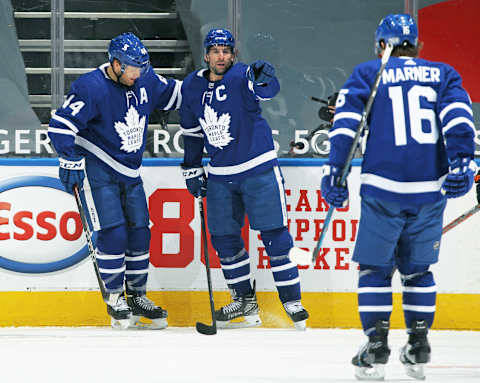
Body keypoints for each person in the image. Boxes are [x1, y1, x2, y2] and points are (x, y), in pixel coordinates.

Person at [321, 14, 476, 380]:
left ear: (381, 46)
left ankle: (376, 345)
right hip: (429, 190)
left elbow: (346, 126)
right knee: (419, 270)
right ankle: (418, 342)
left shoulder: (367, 73)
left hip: (383, 189)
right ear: (417, 45)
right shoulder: (444, 74)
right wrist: (463, 164)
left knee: (375, 269)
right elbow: (459, 120)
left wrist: (334, 172)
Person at [48, 32, 182, 329]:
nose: (138, 73)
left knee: (140, 233)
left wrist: (221, 83)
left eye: (141, 66)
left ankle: (136, 295)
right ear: (116, 63)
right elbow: (60, 126)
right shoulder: (90, 87)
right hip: (99, 170)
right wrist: (68, 157)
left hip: (130, 172)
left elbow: (181, 93)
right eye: (132, 67)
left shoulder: (145, 79)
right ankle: (114, 295)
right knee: (114, 232)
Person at [179, 28, 309, 330]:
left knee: (275, 236)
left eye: (227, 51)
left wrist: (264, 77)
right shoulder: (191, 87)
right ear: (207, 55)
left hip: (258, 169)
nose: (221, 56)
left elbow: (266, 89)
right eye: (216, 50)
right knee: (224, 239)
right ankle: (244, 302)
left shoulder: (242, 76)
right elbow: (192, 132)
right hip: (222, 175)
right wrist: (192, 167)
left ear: (233, 55)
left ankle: (292, 301)